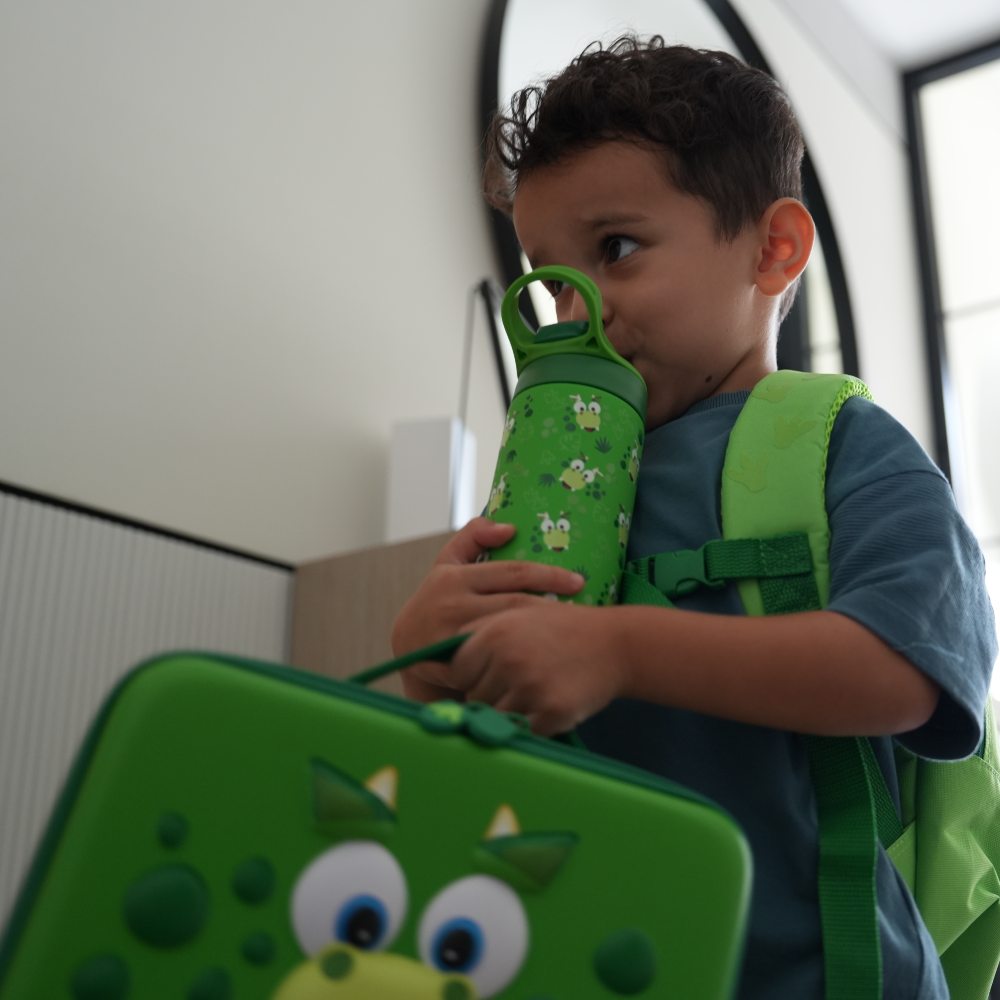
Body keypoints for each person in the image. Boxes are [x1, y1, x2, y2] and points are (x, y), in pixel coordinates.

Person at [391, 35, 997, 998]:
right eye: (550, 279)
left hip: (823, 973)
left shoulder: (839, 443)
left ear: (773, 248)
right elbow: (492, 755)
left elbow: (909, 672)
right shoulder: (563, 476)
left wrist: (621, 650)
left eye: (617, 250)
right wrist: (432, 666)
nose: (578, 312)